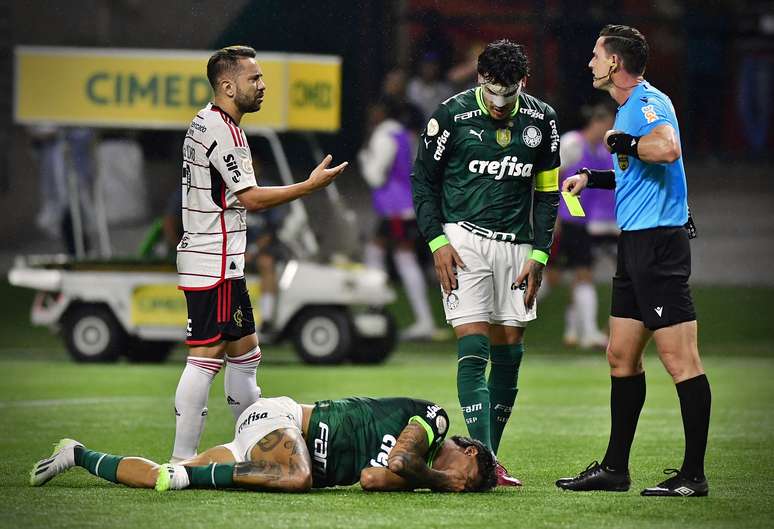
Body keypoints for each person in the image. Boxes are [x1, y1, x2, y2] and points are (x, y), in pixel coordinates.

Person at [556, 25, 711, 497]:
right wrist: (592, 177)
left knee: (679, 360)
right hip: (635, 247)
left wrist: (622, 145)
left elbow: (667, 149)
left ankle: (693, 476)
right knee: (621, 357)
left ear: (616, 64)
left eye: (596, 56)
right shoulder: (627, 110)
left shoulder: (648, 103)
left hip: (659, 247)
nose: (590, 64)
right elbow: (635, 173)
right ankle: (615, 469)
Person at [172, 45, 347, 462]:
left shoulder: (206, 121)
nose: (262, 85)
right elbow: (250, 198)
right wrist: (308, 186)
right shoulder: (224, 131)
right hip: (211, 259)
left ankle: (253, 446)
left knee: (246, 353)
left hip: (219, 259)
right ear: (227, 86)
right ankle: (180, 462)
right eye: (254, 78)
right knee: (206, 357)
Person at [411, 39, 561, 486]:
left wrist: (540, 253)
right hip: (464, 240)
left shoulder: (542, 120)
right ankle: (486, 463)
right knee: (473, 348)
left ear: (523, 84)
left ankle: (490, 458)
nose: (500, 104)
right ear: (479, 79)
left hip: (518, 246)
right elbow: (422, 182)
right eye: (493, 93)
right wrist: (437, 241)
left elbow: (549, 193)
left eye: (509, 94)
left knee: (510, 351)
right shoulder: (450, 117)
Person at [30, 395, 497, 493]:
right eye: (467, 475)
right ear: (469, 449)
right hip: (282, 419)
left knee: (160, 477)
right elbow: (401, 456)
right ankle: (190, 475)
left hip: (269, 451)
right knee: (298, 478)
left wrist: (428, 483)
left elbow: (373, 476)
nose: (459, 482)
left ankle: (76, 453)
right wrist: (444, 481)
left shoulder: (416, 479)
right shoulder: (433, 418)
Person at [359, 97, 439, 340]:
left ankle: (378, 308)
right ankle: (414, 317)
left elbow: (375, 177)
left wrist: (364, 158)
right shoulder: (402, 135)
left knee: (388, 254)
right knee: (394, 255)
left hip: (394, 208)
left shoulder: (384, 136)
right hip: (404, 205)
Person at [546, 102, 617, 349]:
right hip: (566, 220)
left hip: (582, 222)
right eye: (607, 125)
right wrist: (551, 215)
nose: (610, 131)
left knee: (581, 273)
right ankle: (583, 332)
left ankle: (581, 332)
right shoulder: (572, 144)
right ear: (597, 122)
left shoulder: (601, 150)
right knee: (554, 276)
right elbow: (552, 175)